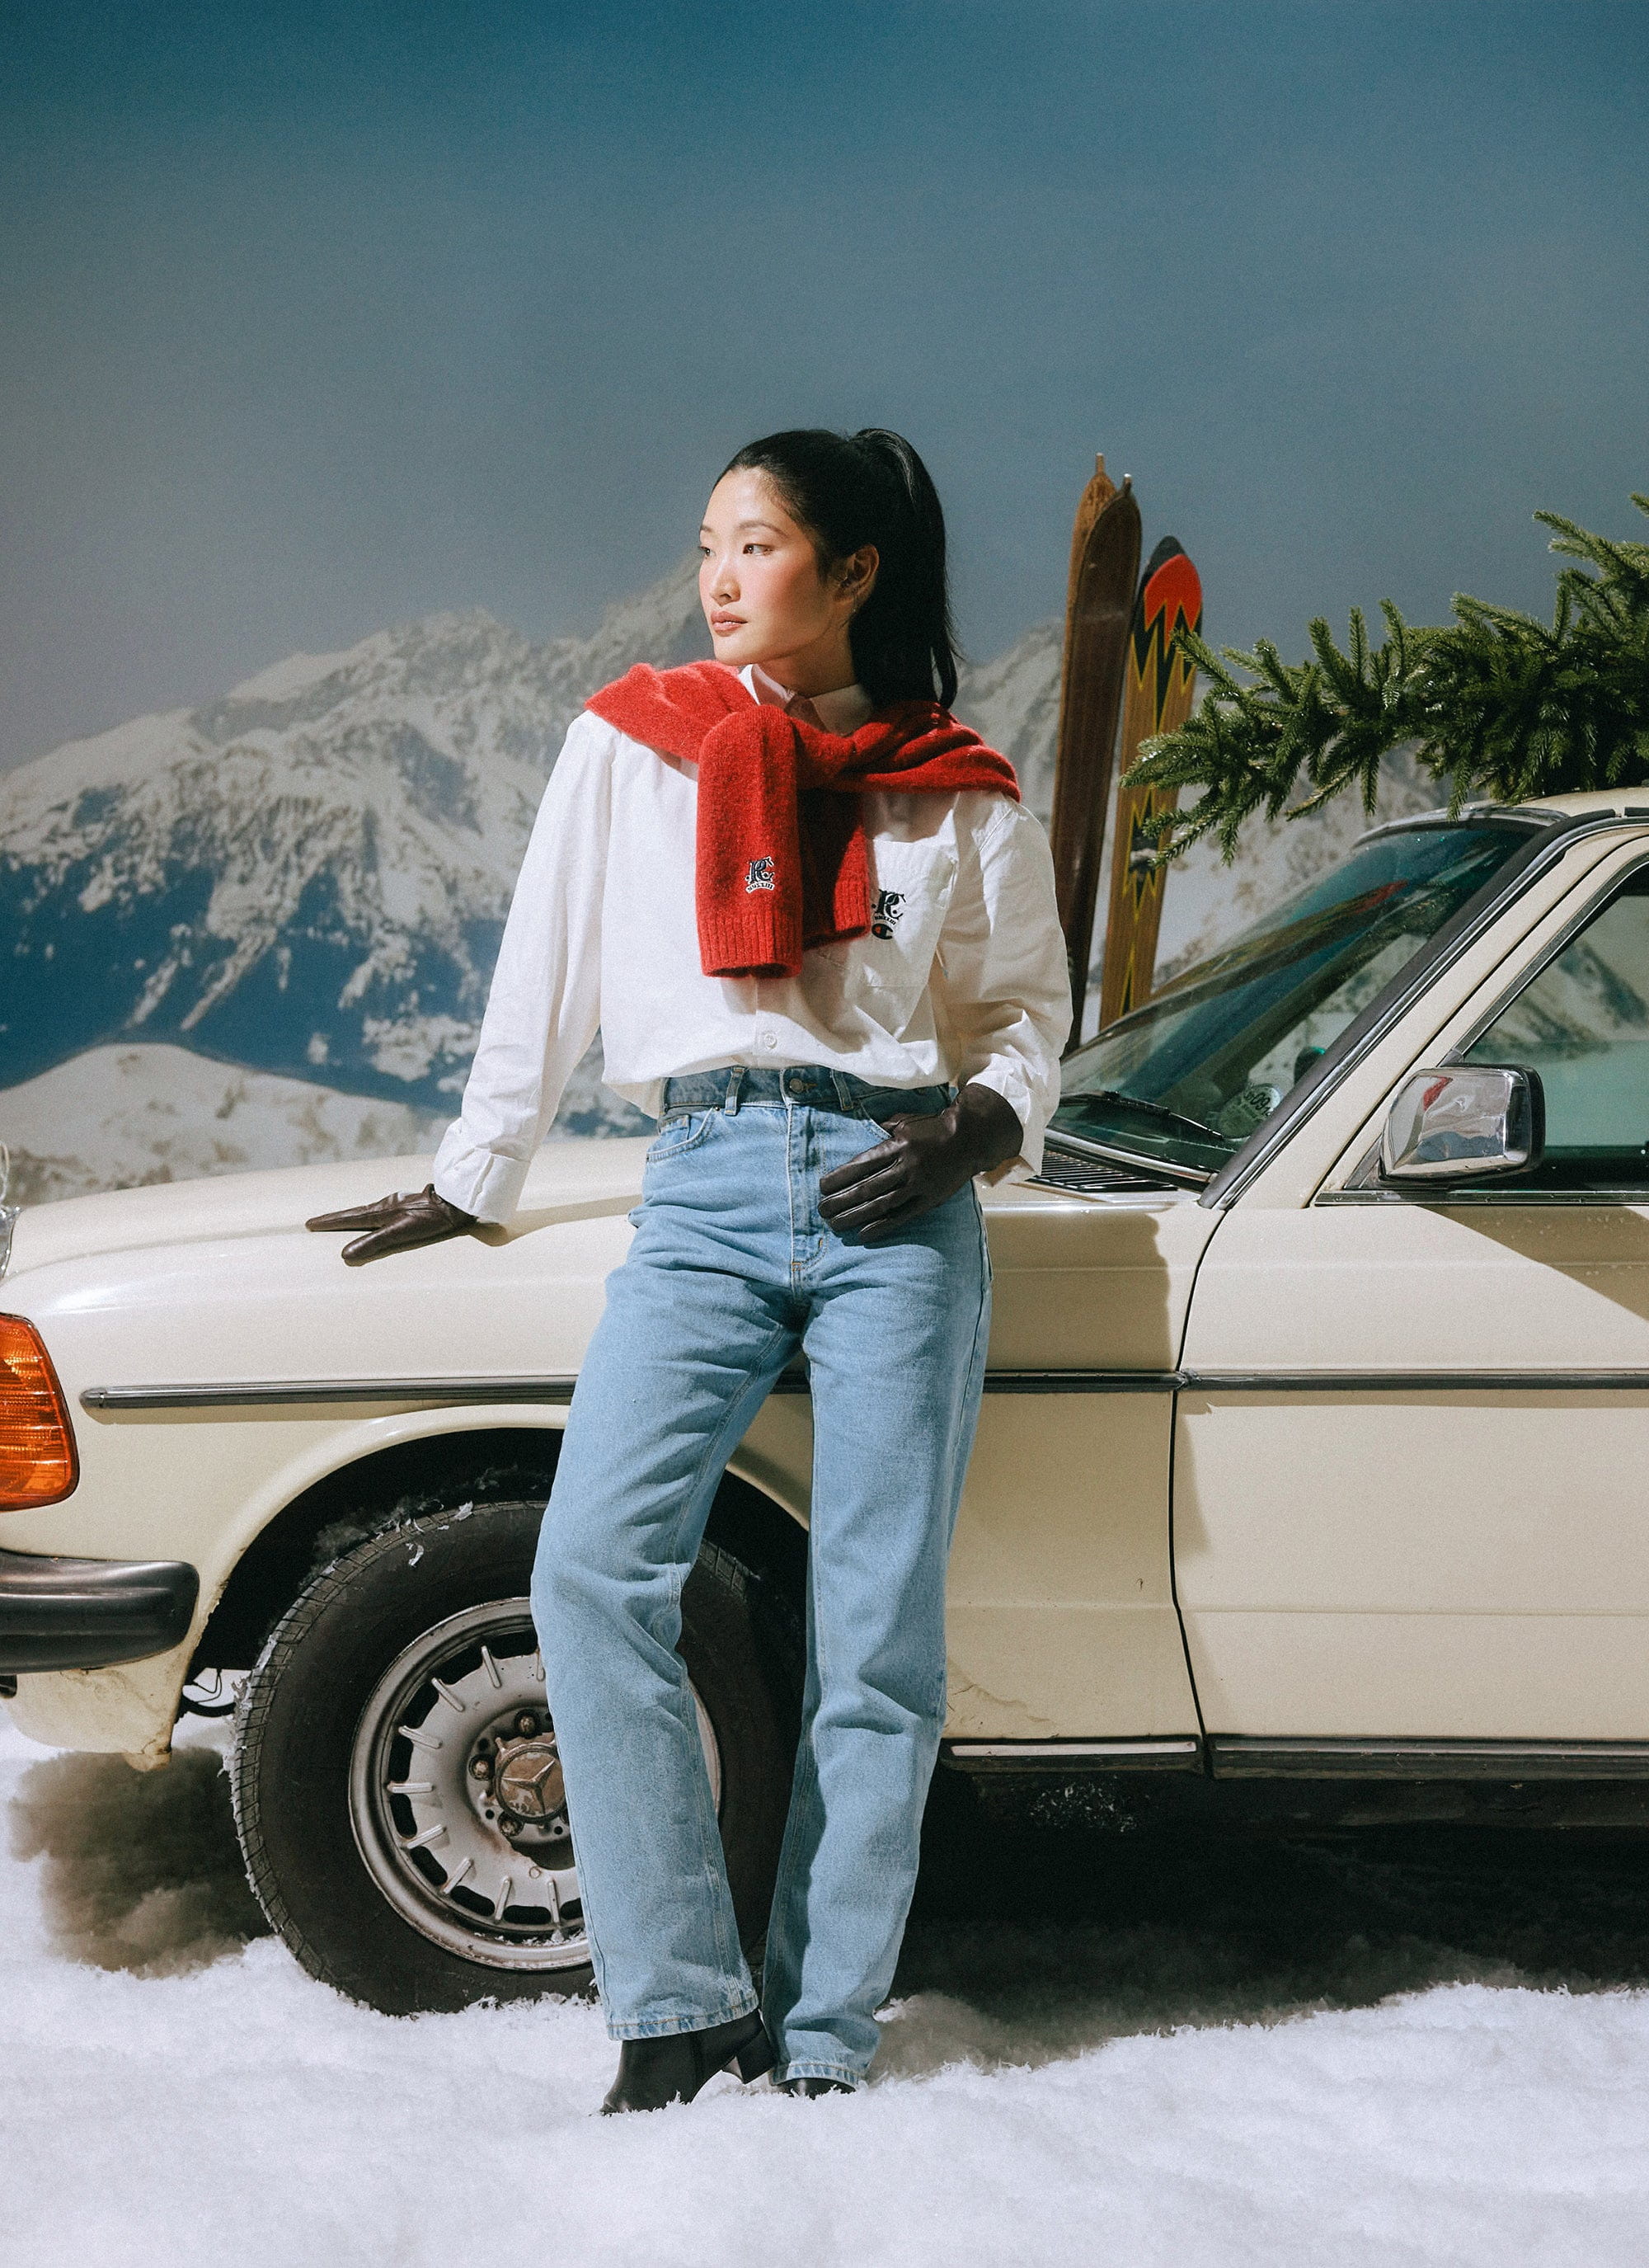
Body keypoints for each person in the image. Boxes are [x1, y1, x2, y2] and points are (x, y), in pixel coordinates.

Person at [309, 428, 1071, 2109]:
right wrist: (472, 1173)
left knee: (877, 1641)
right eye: (707, 546)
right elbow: (550, 962)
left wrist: (972, 1130)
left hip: (900, 1199)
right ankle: (676, 2004)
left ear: (853, 571)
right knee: (593, 1569)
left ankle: (817, 2040)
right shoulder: (630, 745)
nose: (717, 578)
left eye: (756, 546)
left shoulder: (955, 781)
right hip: (708, 1183)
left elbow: (1023, 1012)